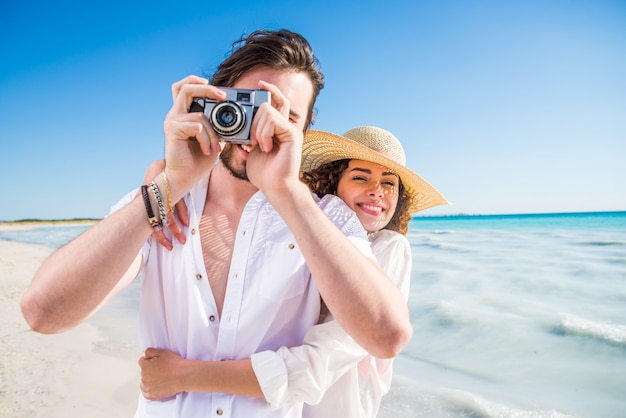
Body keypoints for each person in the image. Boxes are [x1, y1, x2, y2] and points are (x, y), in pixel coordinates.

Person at [20, 29, 415, 417]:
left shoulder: (326, 218)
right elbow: (44, 314)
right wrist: (171, 182)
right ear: (212, 102)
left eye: (284, 116)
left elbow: (386, 337)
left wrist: (286, 192)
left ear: (303, 131)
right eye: (250, 106)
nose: (260, 130)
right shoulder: (159, 202)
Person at [138, 126, 449, 417]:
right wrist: (159, 173)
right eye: (360, 178)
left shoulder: (388, 248)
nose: (377, 191)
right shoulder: (300, 231)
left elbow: (317, 364)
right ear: (333, 183)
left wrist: (183, 376)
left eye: (389, 182)